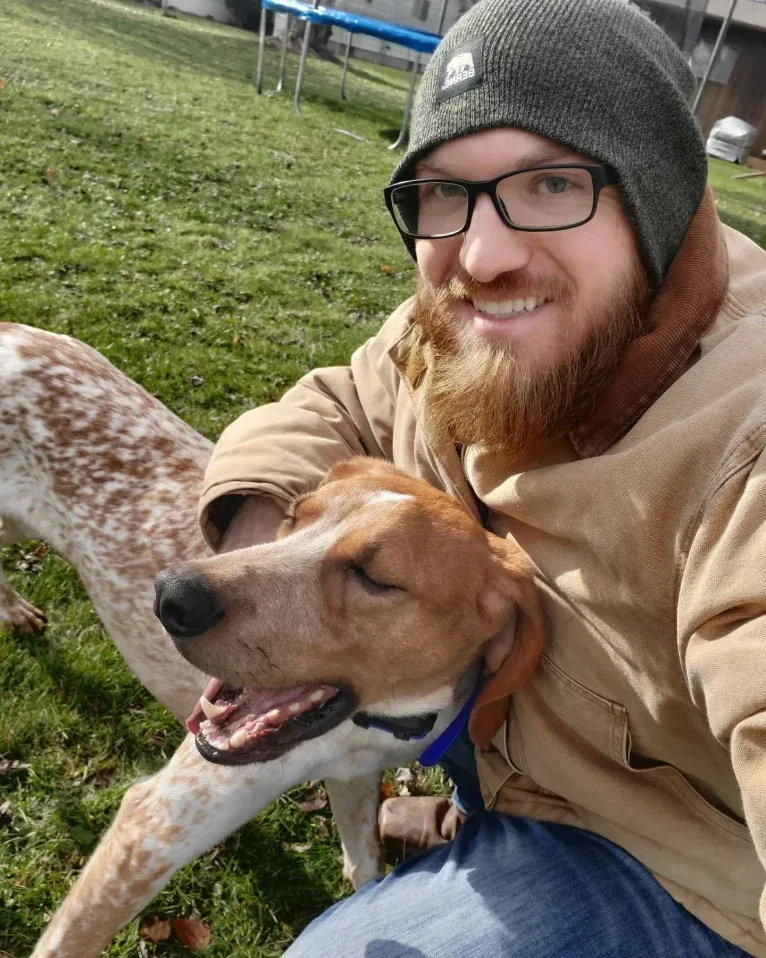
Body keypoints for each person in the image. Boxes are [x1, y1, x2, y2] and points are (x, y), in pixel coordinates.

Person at [196, 0, 766, 954]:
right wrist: (275, 557)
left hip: (661, 857)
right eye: (444, 191)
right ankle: (473, 815)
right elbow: (345, 396)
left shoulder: (741, 447)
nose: (485, 254)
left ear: (660, 197)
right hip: (503, 742)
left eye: (552, 183)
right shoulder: (471, 313)